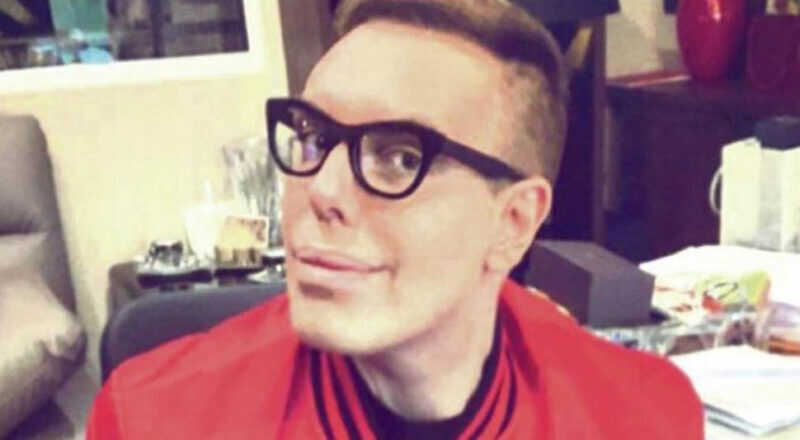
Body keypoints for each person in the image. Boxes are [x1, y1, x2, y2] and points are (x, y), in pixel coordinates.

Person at [87, 0, 703, 438]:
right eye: (312, 136)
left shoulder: (639, 417)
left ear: (513, 223)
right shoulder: (154, 419)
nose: (320, 190)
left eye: (400, 156)